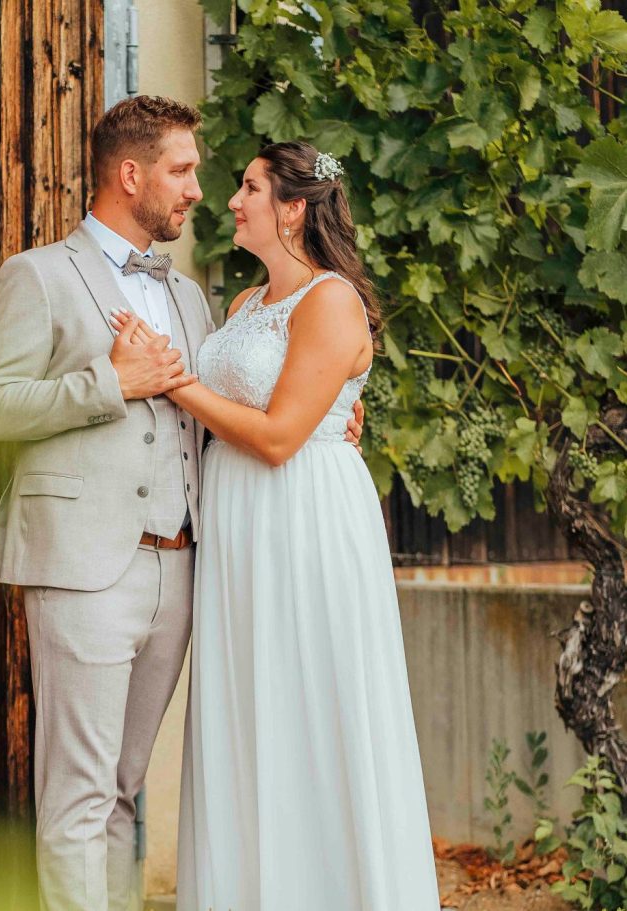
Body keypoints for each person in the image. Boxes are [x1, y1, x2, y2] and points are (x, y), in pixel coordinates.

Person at [0, 95, 363, 911]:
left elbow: (230, 416)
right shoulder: (38, 274)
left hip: (183, 569)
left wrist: (330, 421)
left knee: (122, 786)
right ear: (130, 173)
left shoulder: (191, 300)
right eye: (182, 171)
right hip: (83, 564)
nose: (196, 189)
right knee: (77, 793)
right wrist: (109, 381)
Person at [110, 141, 439, 910]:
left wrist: (171, 379)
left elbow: (279, 434)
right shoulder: (242, 304)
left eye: (249, 188)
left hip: (305, 524)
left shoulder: (331, 299)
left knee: (312, 709)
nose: (230, 200)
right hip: (240, 531)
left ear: (292, 207)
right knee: (248, 718)